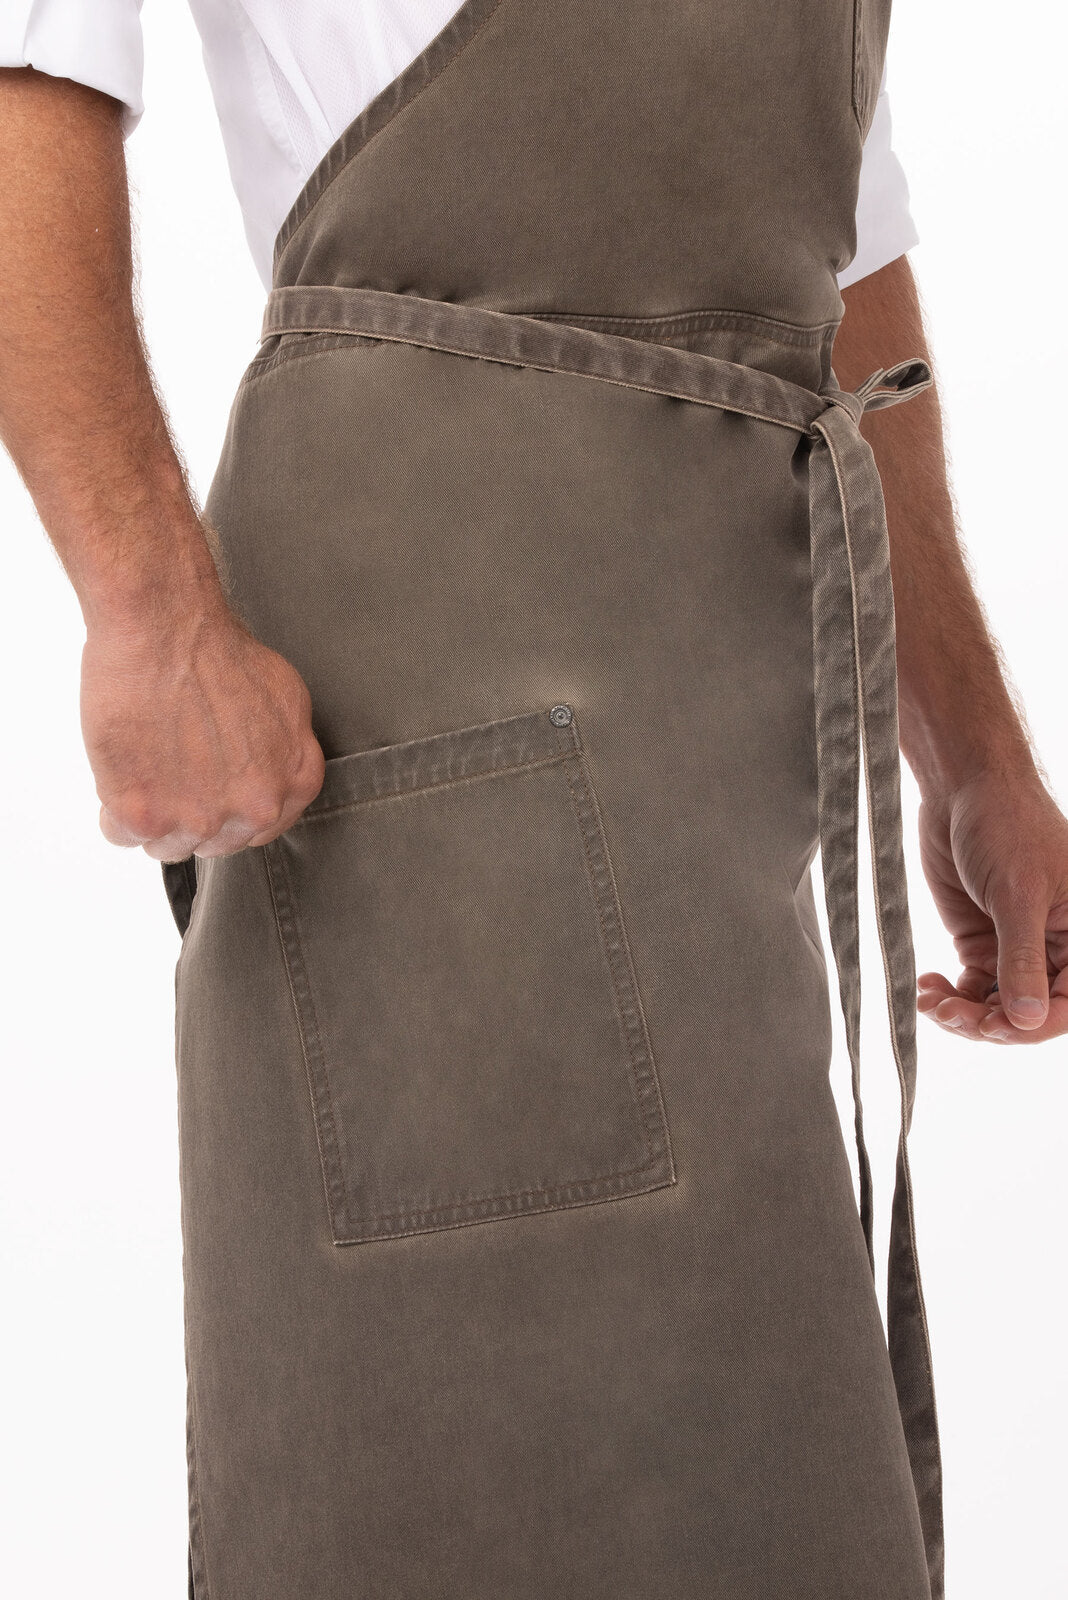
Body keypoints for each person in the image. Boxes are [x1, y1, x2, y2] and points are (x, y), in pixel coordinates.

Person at [1, 5, 1065, 1599]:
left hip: (729, 734)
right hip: (424, 680)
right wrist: (149, 614)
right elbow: (27, 76)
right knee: (460, 1494)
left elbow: (834, 237)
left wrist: (972, 744)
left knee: (767, 1501)